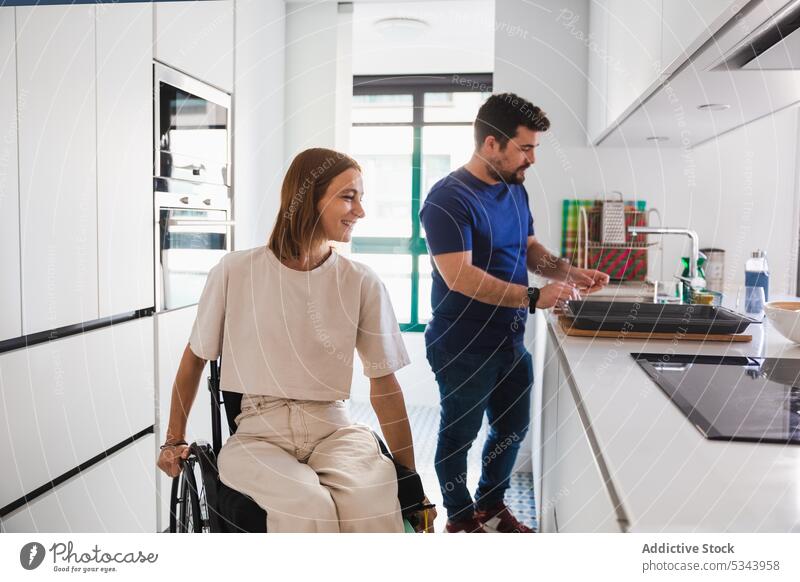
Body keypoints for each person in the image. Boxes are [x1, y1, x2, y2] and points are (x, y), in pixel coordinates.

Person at [157, 148, 434, 532]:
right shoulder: (235, 272)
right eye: (348, 197)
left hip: (334, 427)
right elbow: (194, 359)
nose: (360, 211)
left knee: (370, 504)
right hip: (257, 434)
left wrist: (412, 487)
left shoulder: (361, 281)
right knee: (309, 507)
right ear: (306, 198)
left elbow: (384, 387)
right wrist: (172, 440)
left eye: (361, 198)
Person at [420, 93, 609, 533]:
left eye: (535, 148)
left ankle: (490, 507)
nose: (533, 159)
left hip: (508, 340)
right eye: (525, 148)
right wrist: (531, 298)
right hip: (463, 346)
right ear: (491, 144)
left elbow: (527, 250)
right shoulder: (447, 199)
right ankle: (461, 518)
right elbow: (459, 277)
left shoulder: (514, 188)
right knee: (458, 438)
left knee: (511, 429)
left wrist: (569, 271)